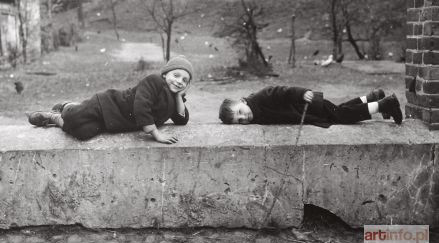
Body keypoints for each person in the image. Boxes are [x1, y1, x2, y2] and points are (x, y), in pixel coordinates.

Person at [27, 55, 193, 144]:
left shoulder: (173, 99)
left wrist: (179, 96)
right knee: (73, 117)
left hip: (111, 123)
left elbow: (181, 120)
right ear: (165, 74)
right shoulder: (155, 81)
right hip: (107, 105)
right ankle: (62, 109)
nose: (179, 81)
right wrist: (155, 133)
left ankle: (57, 119)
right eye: (176, 75)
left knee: (82, 133)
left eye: (184, 80)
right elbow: (141, 106)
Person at [218, 86, 402, 127]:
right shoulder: (256, 113)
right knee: (338, 110)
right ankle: (371, 98)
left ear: (242, 102)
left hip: (307, 105)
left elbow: (280, 91)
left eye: (240, 112)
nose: (244, 118)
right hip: (307, 110)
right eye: (239, 121)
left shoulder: (258, 99)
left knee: (341, 116)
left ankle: (385, 105)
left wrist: (300, 93)